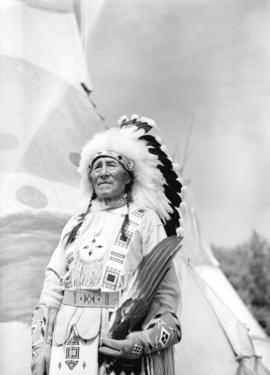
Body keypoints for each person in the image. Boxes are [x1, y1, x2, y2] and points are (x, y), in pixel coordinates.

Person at [31, 115, 182, 375]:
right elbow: (52, 289)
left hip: (117, 349)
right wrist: (40, 347)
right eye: (95, 166)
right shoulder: (75, 225)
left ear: (128, 175)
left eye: (110, 164)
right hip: (65, 347)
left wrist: (140, 343)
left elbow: (165, 298)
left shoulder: (145, 220)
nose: (102, 172)